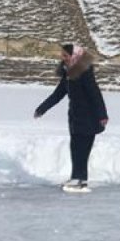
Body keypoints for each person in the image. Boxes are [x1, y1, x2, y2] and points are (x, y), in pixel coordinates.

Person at [34, 43, 109, 193]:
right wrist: (42, 108)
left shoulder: (84, 72)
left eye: (65, 56)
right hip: (75, 117)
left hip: (89, 116)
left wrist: (102, 115)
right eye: (62, 55)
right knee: (75, 147)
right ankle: (77, 177)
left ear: (74, 56)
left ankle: (80, 178)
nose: (63, 58)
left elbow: (95, 94)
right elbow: (58, 94)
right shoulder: (68, 74)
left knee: (82, 148)